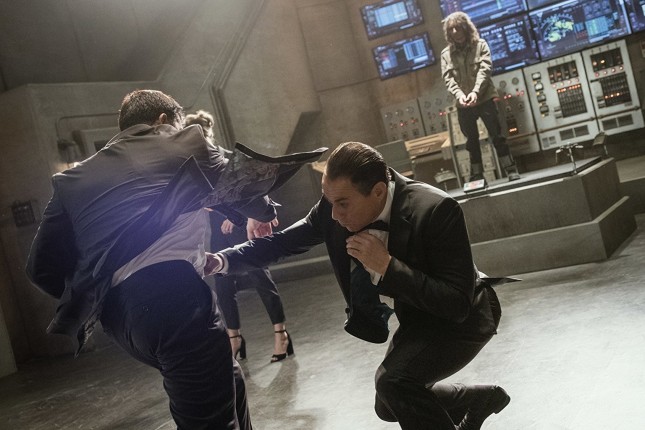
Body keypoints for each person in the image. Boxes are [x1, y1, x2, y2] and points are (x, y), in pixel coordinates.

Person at [25, 90, 324, 429]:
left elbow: (40, 268)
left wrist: (95, 293)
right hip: (176, 303)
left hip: (122, 322)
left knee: (230, 382)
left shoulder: (71, 180)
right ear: (164, 120)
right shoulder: (180, 139)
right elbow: (242, 179)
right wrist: (262, 213)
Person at [206, 141, 511, 430]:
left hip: (467, 317)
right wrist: (220, 261)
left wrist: (387, 267)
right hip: (419, 315)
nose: (334, 215)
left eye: (343, 204)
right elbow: (283, 242)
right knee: (388, 404)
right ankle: (476, 399)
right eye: (329, 202)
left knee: (395, 384)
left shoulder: (437, 209)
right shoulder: (334, 208)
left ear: (378, 191)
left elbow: (456, 303)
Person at [185, 110, 293, 363]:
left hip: (241, 226)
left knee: (260, 277)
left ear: (206, 135)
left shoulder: (225, 158)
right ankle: (235, 339)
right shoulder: (194, 165)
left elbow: (253, 190)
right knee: (223, 285)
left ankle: (281, 334)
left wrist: (231, 215)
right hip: (218, 233)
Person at [441, 11, 520, 182]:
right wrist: (460, 96)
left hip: (484, 98)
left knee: (497, 136)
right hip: (463, 103)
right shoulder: (446, 55)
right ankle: (477, 175)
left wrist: (476, 92)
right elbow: (448, 80)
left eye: (458, 27)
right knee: (471, 142)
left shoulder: (481, 45)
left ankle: (510, 169)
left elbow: (485, 70)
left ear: (466, 28)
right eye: (451, 29)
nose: (455, 32)